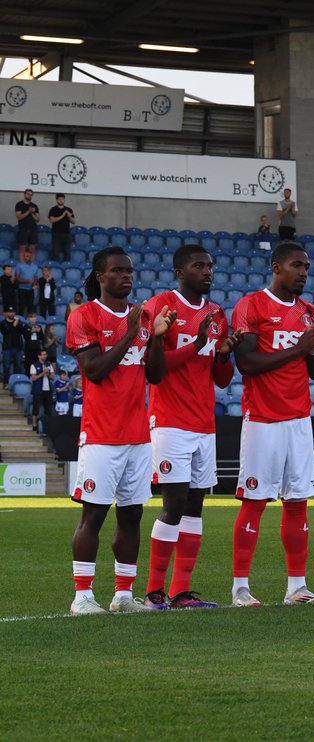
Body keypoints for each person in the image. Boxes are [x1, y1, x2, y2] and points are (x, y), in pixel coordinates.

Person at [66, 246, 172, 615]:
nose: (127, 275)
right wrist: (129, 335)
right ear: (101, 277)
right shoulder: (84, 315)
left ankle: (124, 595)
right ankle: (82, 597)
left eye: (129, 270)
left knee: (131, 515)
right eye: (118, 271)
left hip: (137, 436)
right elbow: (94, 370)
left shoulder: (143, 317)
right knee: (93, 515)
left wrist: (155, 337)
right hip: (100, 435)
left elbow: (156, 376)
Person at [229, 242, 314, 606]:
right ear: (276, 267)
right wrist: (301, 348)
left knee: (298, 502)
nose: (304, 272)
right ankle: (240, 587)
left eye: (306, 266)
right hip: (263, 419)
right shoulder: (251, 306)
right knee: (254, 501)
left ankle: (297, 587)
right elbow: (248, 364)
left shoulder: (308, 311)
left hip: (300, 419)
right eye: (296, 265)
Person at [141, 244, 238, 610]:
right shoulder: (160, 307)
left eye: (210, 266)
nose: (207, 272)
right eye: (199, 266)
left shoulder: (216, 313)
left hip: (204, 424)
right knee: (174, 502)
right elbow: (155, 368)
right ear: (180, 272)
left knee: (196, 505)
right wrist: (196, 343)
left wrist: (224, 354)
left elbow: (222, 379)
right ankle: (154, 592)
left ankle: (181, 592)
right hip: (170, 421)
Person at [0, 308, 27, 382]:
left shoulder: (18, 322)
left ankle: (16, 382)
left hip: (18, 348)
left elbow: (23, 331)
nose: (11, 314)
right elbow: (6, 332)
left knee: (18, 366)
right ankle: (6, 383)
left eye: (12, 312)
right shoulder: (2, 323)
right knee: (6, 366)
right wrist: (13, 325)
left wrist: (18, 324)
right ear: (6, 313)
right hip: (7, 348)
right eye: (9, 312)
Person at [29, 349, 54, 427]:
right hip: (38, 390)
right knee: (36, 407)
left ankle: (47, 425)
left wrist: (48, 373)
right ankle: (34, 424)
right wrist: (43, 373)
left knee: (48, 409)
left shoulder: (49, 365)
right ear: (39, 356)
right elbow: (33, 378)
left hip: (48, 390)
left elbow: (52, 377)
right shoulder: (34, 365)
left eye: (45, 354)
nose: (45, 356)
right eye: (43, 354)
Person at [47, 193, 75, 263]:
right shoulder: (53, 209)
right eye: (59, 199)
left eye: (62, 199)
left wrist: (69, 216)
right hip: (56, 234)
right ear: (56, 200)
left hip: (67, 234)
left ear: (64, 200)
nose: (61, 200)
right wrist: (62, 215)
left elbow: (73, 221)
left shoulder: (68, 209)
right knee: (56, 252)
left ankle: (67, 265)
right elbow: (51, 220)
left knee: (67, 252)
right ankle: (56, 267)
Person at [14, 189, 38, 261]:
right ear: (24, 194)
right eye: (28, 194)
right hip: (23, 229)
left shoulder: (34, 206)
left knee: (32, 248)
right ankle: (22, 264)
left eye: (31, 195)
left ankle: (31, 263)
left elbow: (37, 219)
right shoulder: (19, 204)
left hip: (33, 229)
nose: (29, 196)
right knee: (22, 247)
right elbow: (19, 217)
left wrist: (32, 213)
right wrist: (28, 211)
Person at [14, 253, 38, 317]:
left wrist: (34, 284)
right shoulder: (19, 265)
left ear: (31, 257)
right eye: (25, 256)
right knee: (21, 306)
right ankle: (20, 321)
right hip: (21, 289)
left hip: (31, 290)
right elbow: (17, 278)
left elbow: (35, 277)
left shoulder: (35, 266)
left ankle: (30, 323)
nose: (27, 257)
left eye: (28, 256)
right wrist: (26, 281)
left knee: (30, 307)